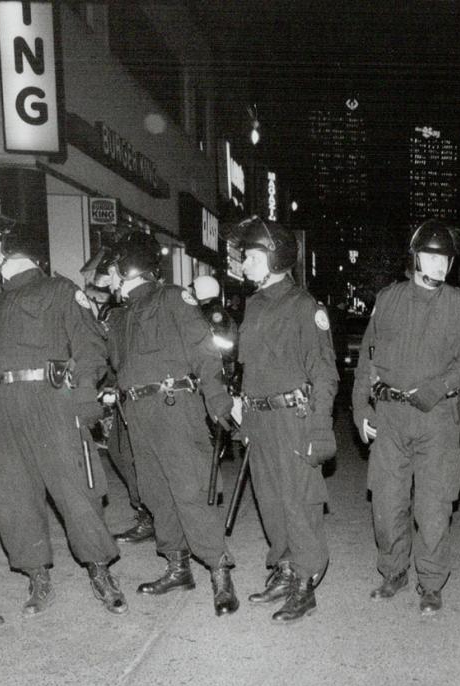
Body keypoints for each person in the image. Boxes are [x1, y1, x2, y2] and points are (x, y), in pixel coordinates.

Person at [0, 224, 125, 616]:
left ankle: (99, 570)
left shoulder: (60, 291)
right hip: (3, 408)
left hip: (53, 403)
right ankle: (37, 576)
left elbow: (91, 346)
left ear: (12, 251)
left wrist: (84, 395)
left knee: (77, 494)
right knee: (12, 498)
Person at [353, 220, 460, 613]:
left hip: (437, 420)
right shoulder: (389, 299)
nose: (439, 264)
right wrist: (361, 407)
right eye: (431, 256)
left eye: (444, 258)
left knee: (433, 508)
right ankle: (393, 572)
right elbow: (368, 359)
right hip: (391, 417)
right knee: (387, 504)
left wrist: (440, 386)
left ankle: (431, 583)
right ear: (414, 258)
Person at [104, 231, 237, 615]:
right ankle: (178, 567)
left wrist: (217, 400)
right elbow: (120, 366)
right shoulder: (119, 316)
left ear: (129, 269)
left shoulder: (172, 298)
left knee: (189, 492)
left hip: (173, 407)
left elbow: (204, 352)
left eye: (113, 271)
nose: (109, 280)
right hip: (137, 414)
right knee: (156, 494)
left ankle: (220, 573)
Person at [229, 217, 337, 622]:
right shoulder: (254, 305)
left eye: (251, 257)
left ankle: (305, 582)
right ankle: (285, 569)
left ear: (275, 258)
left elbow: (325, 374)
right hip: (260, 420)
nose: (244, 265)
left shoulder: (304, 307)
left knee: (299, 504)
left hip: (294, 418)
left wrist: (320, 429)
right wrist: (243, 411)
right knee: (271, 503)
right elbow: (252, 367)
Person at [83, 246, 153, 544]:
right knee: (120, 452)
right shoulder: (111, 314)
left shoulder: (125, 313)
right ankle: (147, 512)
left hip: (141, 395)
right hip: (121, 394)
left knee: (135, 457)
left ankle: (154, 515)